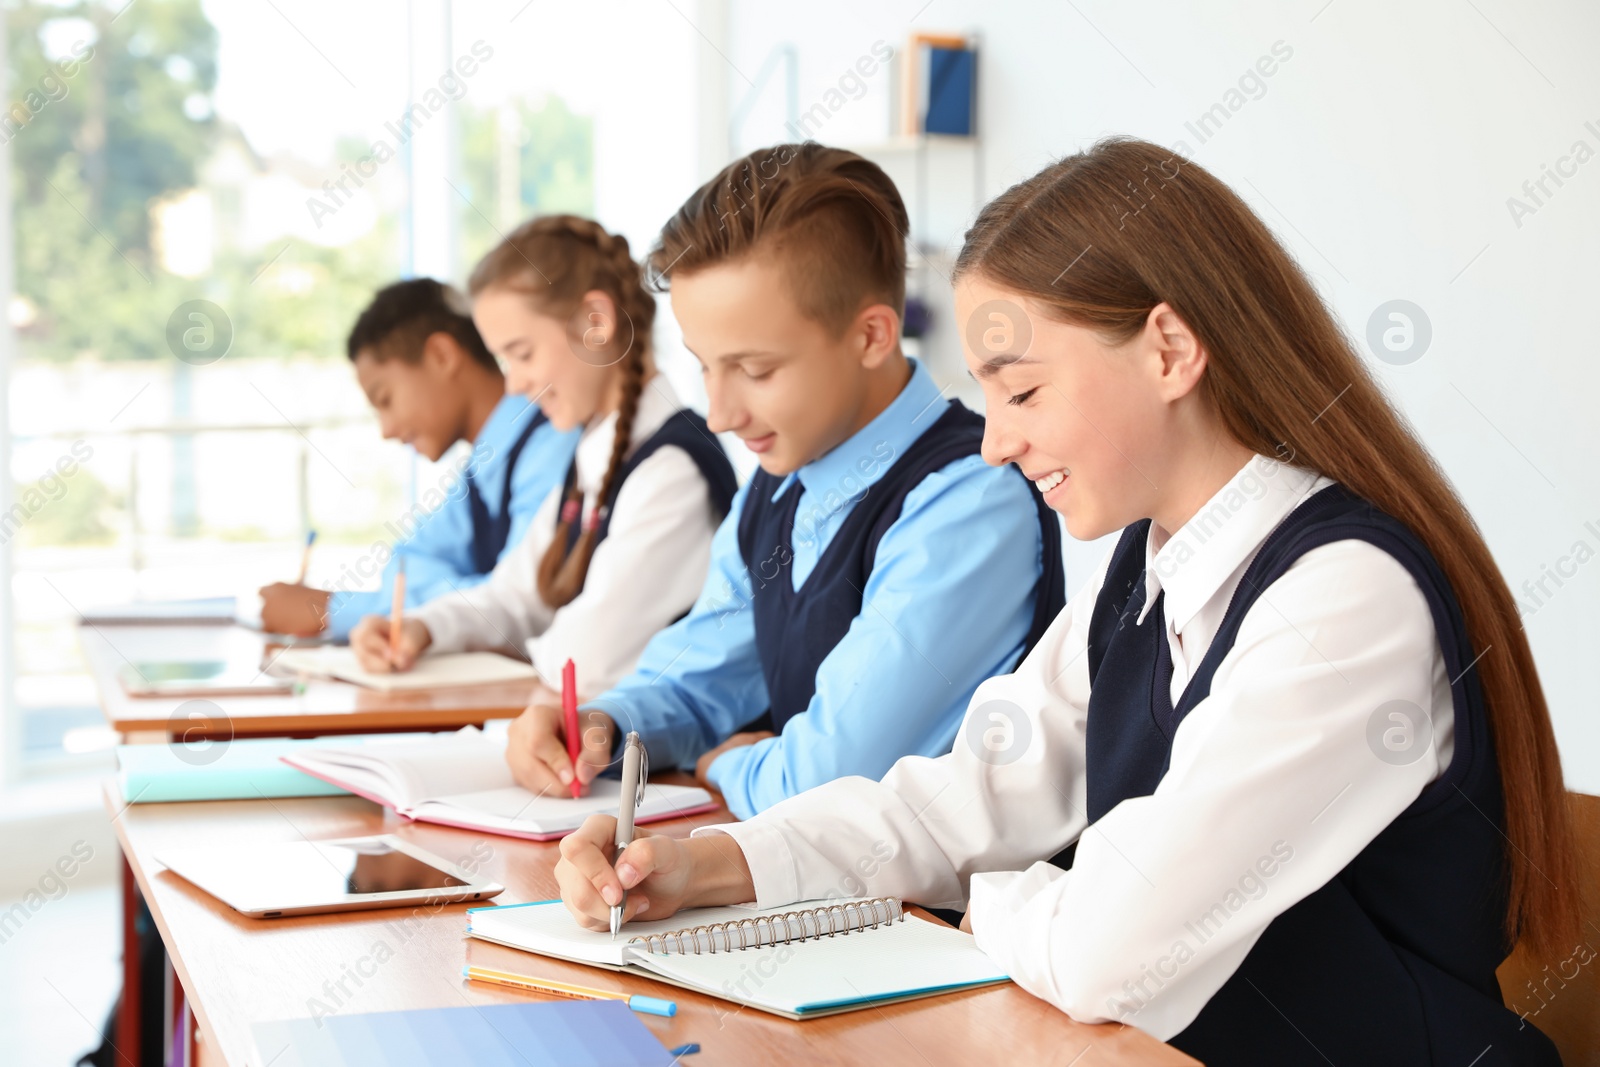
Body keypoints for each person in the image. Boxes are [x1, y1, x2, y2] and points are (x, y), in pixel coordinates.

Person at [552, 139, 1577, 1066]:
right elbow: (959, 797)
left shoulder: (1345, 599)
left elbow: (1107, 951)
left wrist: (987, 896)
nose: (994, 439)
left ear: (1170, 351)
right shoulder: (1143, 573)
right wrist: (703, 864)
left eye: (1024, 392)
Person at [504, 143, 1063, 818]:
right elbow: (696, 679)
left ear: (872, 336)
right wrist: (601, 726)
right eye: (705, 366)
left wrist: (725, 761)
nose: (718, 413)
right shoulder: (776, 488)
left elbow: (826, 780)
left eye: (756, 370)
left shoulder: (970, 500)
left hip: (935, 918)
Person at [348, 216, 737, 704]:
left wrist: (507, 650)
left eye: (522, 354)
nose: (513, 385)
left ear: (596, 322)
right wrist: (422, 628)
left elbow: (586, 660)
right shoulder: (590, 460)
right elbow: (516, 594)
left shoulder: (671, 471)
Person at [257, 277, 577, 639]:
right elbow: (404, 566)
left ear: (442, 356)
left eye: (385, 399)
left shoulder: (553, 445)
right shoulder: (481, 472)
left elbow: (519, 600)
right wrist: (466, 591)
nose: (387, 430)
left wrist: (332, 611)